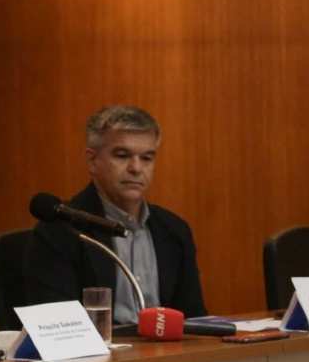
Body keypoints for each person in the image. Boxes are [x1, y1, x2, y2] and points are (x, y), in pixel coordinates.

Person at [28, 105, 205, 324]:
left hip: (166, 354)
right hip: (101, 355)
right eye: (122, 156)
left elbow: (195, 320)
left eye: (147, 158)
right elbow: (59, 328)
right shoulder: (62, 230)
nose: (136, 168)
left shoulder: (174, 230)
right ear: (93, 161)